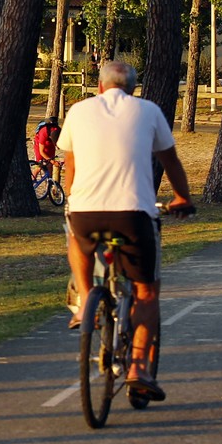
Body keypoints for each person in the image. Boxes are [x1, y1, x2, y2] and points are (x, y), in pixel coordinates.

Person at [58, 58, 197, 402]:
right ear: (133, 88)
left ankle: (86, 297)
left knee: (78, 238)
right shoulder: (148, 110)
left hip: (86, 214)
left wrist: (73, 203)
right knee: (147, 293)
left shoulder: (78, 111)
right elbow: (171, 162)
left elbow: (70, 165)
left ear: (100, 86)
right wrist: (182, 197)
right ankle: (137, 366)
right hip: (133, 216)